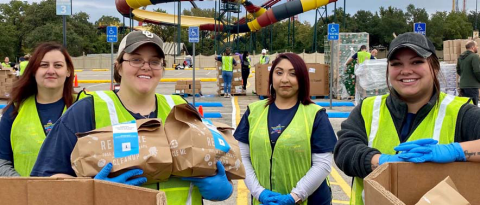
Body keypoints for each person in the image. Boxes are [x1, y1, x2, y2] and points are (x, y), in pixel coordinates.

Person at [30, 31, 233, 205]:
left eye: (154, 61)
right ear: (118, 66)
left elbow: (216, 168)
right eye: (136, 59)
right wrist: (94, 193)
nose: (146, 67)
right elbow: (46, 184)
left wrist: (223, 187)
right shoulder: (87, 110)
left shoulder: (182, 110)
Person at [334, 32, 480, 205]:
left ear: (435, 67)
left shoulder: (460, 112)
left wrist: (454, 151)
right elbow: (345, 151)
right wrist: (384, 162)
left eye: (417, 62)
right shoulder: (367, 108)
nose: (406, 71)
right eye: (396, 64)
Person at [234, 53, 337, 205]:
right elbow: (242, 157)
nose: (284, 79)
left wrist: (294, 197)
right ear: (272, 77)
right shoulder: (253, 112)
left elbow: (322, 164)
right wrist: (259, 192)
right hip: (264, 200)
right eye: (279, 72)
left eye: (293, 74)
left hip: (309, 200)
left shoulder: (316, 115)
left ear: (302, 79)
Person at [0, 42, 76, 177]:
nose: (51, 71)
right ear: (34, 71)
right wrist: (28, 188)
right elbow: (2, 161)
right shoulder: (15, 109)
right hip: (25, 196)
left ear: (68, 71)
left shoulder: (84, 106)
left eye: (58, 65)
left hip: (74, 196)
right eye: (44, 65)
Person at [456, 40, 480, 106]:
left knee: (465, 107)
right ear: (473, 47)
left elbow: (458, 70)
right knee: (473, 107)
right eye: (476, 46)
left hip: (462, 85)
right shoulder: (474, 56)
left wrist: (465, 76)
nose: (477, 48)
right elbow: (477, 71)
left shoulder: (461, 57)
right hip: (472, 86)